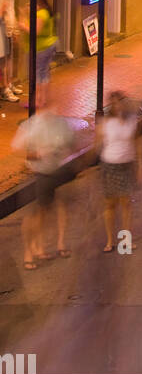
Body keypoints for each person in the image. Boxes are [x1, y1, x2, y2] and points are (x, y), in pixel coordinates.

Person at [11, 93, 76, 268]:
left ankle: (43, 246)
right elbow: (16, 149)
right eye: (41, 102)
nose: (46, 106)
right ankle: (29, 251)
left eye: (47, 101)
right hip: (36, 174)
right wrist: (39, 153)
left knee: (49, 209)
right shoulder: (30, 126)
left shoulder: (59, 124)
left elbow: (70, 142)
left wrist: (63, 152)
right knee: (35, 214)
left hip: (55, 171)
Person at [95, 91, 141, 253]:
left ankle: (126, 241)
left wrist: (140, 166)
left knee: (126, 204)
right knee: (110, 204)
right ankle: (110, 240)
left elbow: (137, 144)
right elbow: (97, 144)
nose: (118, 106)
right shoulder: (105, 123)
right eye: (114, 103)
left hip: (127, 164)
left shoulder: (132, 121)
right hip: (110, 165)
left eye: (120, 102)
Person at [34, 0, 58, 105]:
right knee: (45, 71)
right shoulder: (48, 12)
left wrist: (23, 26)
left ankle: (38, 99)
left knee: (38, 72)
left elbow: (36, 31)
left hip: (42, 47)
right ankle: (43, 99)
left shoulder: (41, 14)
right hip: (51, 44)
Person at [0, 0, 22, 101]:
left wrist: (15, 32)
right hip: (4, 35)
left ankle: (9, 84)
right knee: (4, 64)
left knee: (9, 62)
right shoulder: (2, 1)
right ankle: (5, 89)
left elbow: (11, 18)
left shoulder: (8, 1)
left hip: (9, 35)